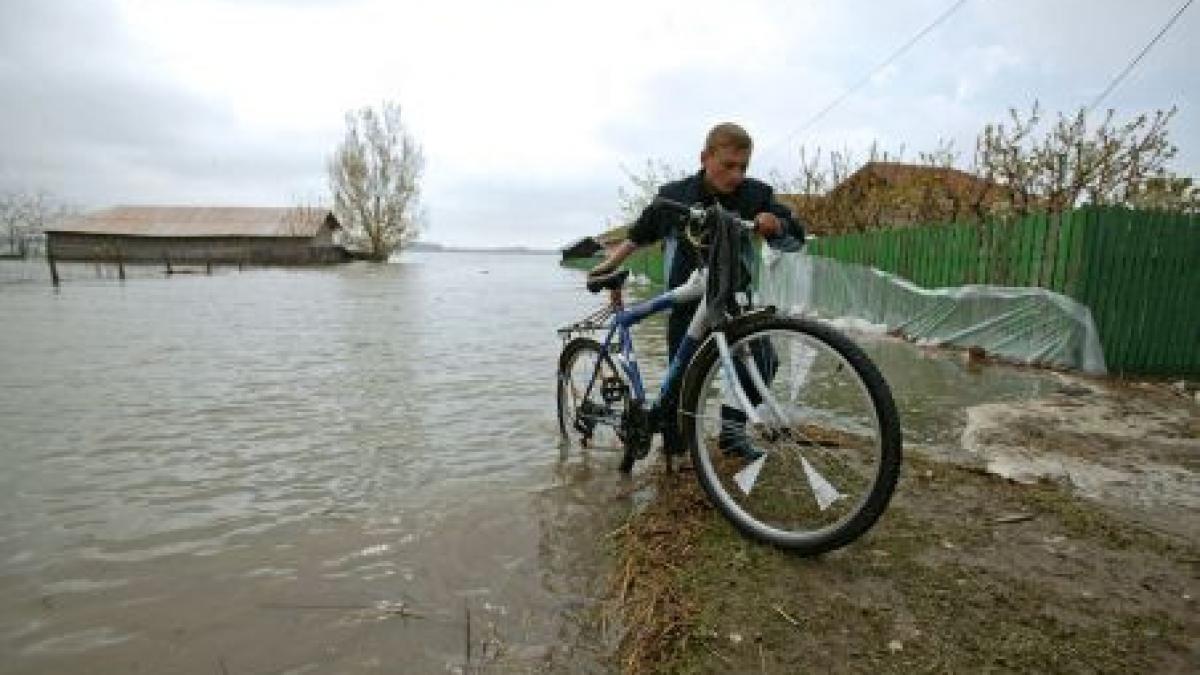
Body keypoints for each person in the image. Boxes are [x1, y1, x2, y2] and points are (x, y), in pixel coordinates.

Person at [589, 122, 805, 459]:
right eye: (727, 165)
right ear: (705, 158)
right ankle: (673, 452)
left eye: (743, 167)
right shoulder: (675, 196)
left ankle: (732, 434)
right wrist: (606, 267)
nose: (736, 175)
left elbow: (794, 236)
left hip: (736, 299)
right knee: (680, 385)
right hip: (688, 301)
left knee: (762, 361)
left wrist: (775, 224)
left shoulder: (755, 195)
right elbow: (638, 235)